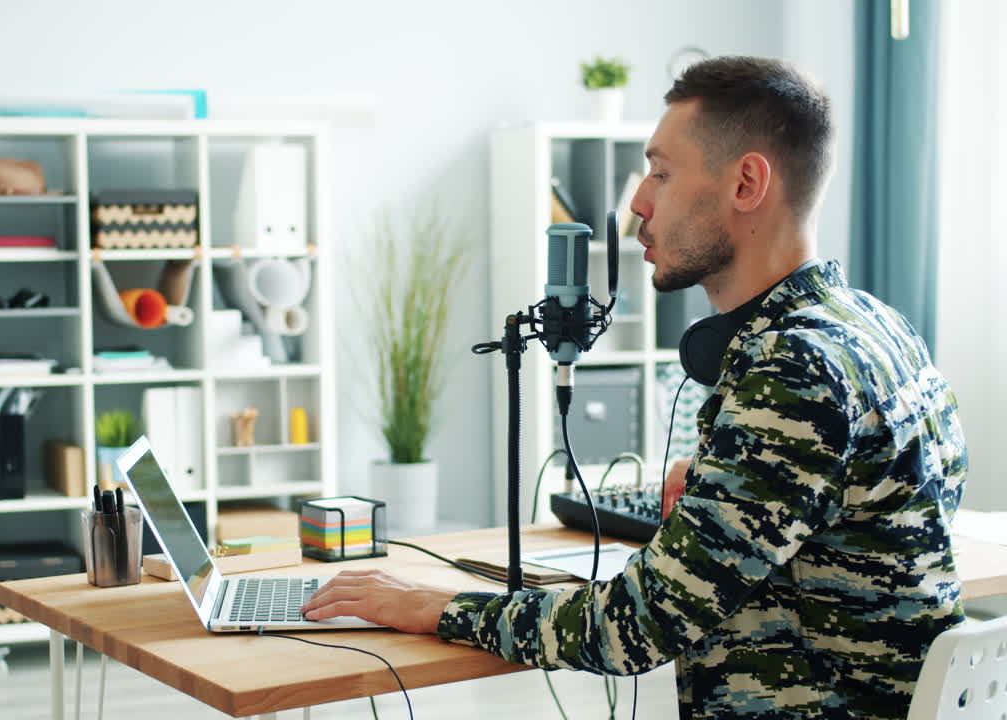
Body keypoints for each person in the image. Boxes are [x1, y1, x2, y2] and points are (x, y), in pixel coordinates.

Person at [302, 56, 969, 719]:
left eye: (661, 173)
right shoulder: (878, 326)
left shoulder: (792, 369)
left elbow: (633, 626)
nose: (639, 203)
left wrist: (436, 606)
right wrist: (721, 483)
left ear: (746, 183)